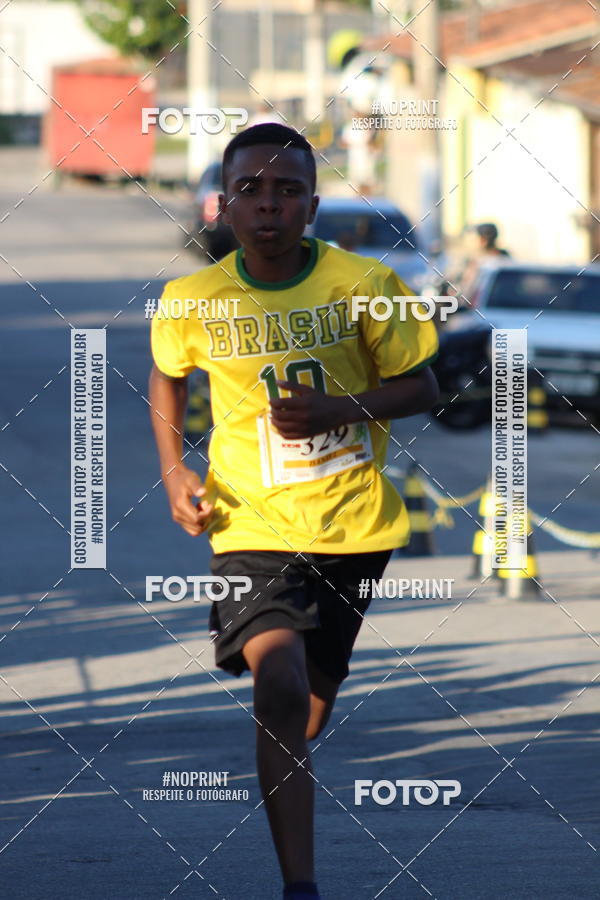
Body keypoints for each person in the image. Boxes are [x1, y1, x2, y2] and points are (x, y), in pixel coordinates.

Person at [148, 123, 439, 900]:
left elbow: (424, 386)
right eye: (250, 189)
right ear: (224, 204)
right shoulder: (191, 299)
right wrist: (174, 469)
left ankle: (293, 753)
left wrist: (340, 408)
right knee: (276, 684)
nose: (268, 204)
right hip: (248, 523)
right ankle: (300, 887)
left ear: (311, 206)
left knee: (307, 704)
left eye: (287, 191)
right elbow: (167, 373)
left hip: (353, 527)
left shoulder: (365, 284)